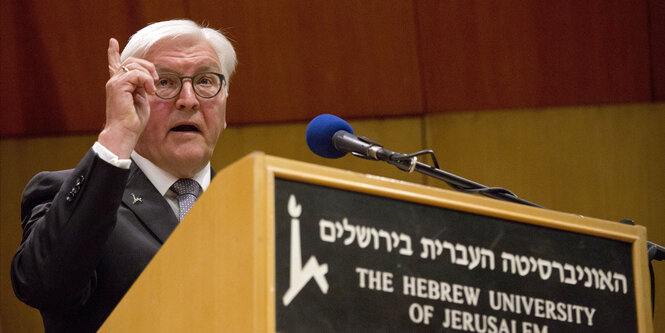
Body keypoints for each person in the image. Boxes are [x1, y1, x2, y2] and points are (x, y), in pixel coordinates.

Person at [10, 19, 237, 332]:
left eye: (207, 81)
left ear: (225, 107)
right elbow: (45, 287)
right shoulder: (69, 194)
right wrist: (118, 132)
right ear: (131, 95)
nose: (189, 100)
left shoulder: (262, 207)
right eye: (165, 82)